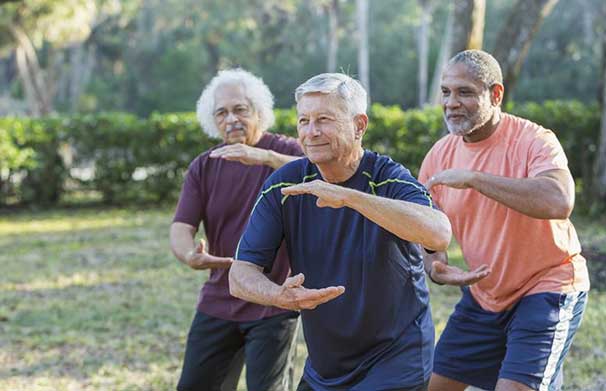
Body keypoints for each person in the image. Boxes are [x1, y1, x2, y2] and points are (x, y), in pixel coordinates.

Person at [228, 73, 458, 391]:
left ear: (359, 125)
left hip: (396, 360)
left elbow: (439, 233)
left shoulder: (388, 177)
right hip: (326, 367)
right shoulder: (285, 183)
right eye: (304, 120)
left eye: (324, 119)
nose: (311, 132)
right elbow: (239, 275)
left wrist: (349, 197)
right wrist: (278, 295)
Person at [417, 50, 590, 391]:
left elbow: (559, 200)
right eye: (446, 92)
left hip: (548, 286)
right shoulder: (438, 156)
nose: (451, 102)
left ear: (495, 95)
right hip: (484, 296)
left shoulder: (534, 140)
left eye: (465, 92)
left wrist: (475, 178)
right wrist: (435, 265)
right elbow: (426, 228)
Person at [170, 68, 303, 391]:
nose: (231, 119)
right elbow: (181, 226)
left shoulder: (287, 153)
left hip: (274, 299)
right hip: (220, 296)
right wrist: (190, 255)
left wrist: (264, 157)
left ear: (259, 111)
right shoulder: (205, 165)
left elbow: (319, 171)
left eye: (240, 109)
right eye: (222, 113)